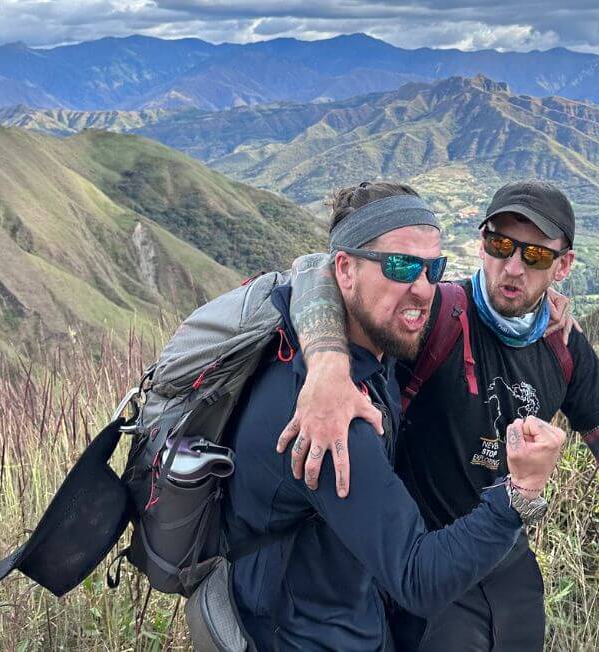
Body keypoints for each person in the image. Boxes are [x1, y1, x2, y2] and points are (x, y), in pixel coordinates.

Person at [279, 179, 599, 650]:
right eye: (500, 244)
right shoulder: (435, 313)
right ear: (482, 243)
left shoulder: (564, 345)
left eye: (534, 255)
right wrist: (327, 365)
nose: (512, 267)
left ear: (563, 266)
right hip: (429, 568)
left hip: (510, 571)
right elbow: (317, 272)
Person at [222, 180, 570, 651]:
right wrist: (520, 493)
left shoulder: (371, 349)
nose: (423, 289)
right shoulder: (330, 418)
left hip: (349, 615)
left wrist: (532, 305)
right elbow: (418, 579)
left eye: (432, 268)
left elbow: (311, 269)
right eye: (402, 266)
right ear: (345, 271)